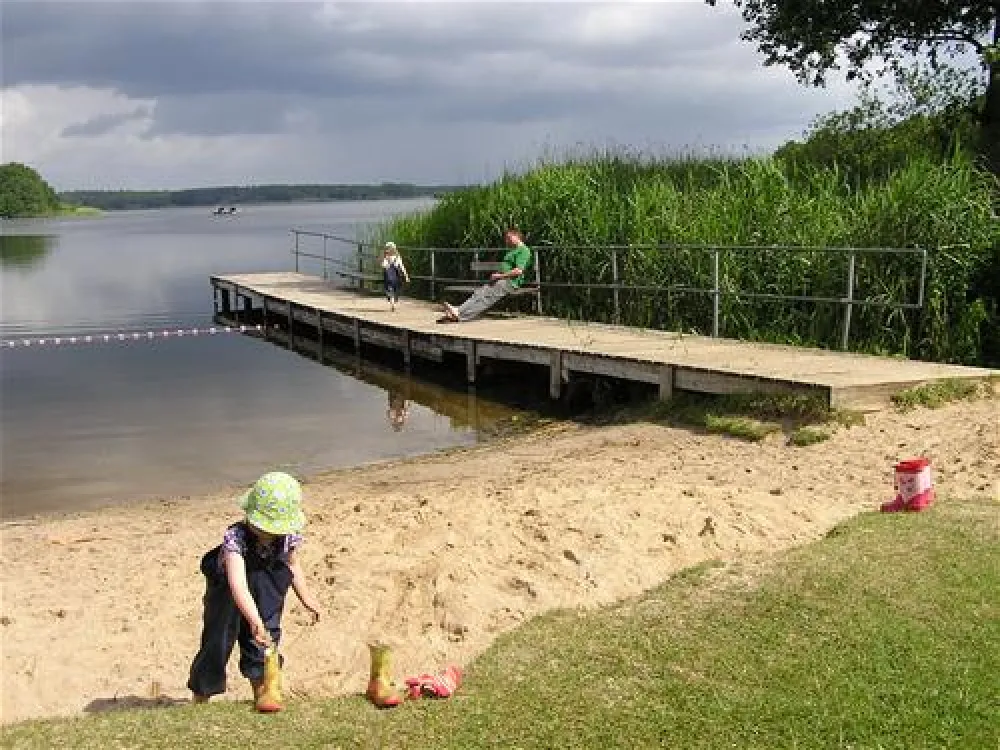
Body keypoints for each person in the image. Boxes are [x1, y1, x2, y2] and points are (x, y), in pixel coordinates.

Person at [187, 471, 322, 713]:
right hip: (228, 595)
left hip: (267, 589)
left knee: (265, 639)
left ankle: (263, 691)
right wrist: (253, 618)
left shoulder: (286, 537)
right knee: (217, 642)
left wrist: (307, 598)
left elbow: (292, 565)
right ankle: (201, 697)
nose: (267, 534)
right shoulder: (236, 538)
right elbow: (238, 584)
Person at [438, 229, 533, 323]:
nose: (506, 241)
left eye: (509, 238)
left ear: (517, 236)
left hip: (511, 282)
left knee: (486, 299)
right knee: (478, 294)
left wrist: (500, 276)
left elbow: (518, 271)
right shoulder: (513, 250)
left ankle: (461, 316)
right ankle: (458, 310)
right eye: (506, 238)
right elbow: (507, 267)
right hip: (502, 279)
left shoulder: (524, 251)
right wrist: (497, 275)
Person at [382, 241, 410, 312]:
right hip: (396, 276)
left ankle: (392, 304)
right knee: (395, 290)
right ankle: (393, 303)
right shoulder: (397, 257)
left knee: (390, 290)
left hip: (388, 277)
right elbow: (402, 267)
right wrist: (406, 276)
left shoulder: (386, 258)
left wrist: (387, 262)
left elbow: (384, 266)